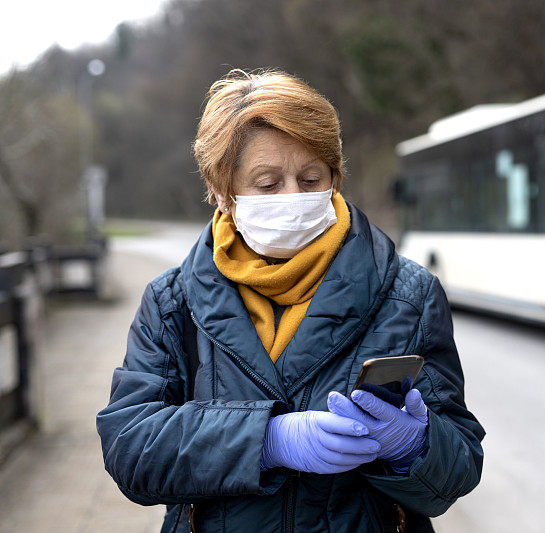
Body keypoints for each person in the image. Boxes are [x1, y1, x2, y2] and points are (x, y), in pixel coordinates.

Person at [96, 68, 485, 532]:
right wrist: (266, 441)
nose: (293, 196)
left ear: (334, 177)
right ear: (222, 192)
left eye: (310, 177)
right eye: (267, 183)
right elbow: (130, 446)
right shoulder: (170, 303)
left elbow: (459, 467)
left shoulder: (410, 295)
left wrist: (413, 448)